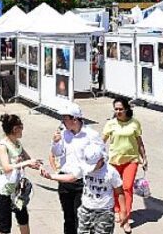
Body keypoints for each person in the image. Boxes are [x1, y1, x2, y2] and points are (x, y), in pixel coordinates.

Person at [41, 141, 128, 234]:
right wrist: (51, 176)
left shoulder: (111, 172)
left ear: (101, 160)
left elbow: (119, 192)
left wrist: (123, 211)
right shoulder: (84, 167)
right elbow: (71, 177)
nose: (91, 169)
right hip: (86, 209)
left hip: (104, 211)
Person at [50, 103, 101, 234]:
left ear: (75, 119)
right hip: (65, 179)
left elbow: (102, 157)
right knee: (68, 217)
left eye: (65, 118)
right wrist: (55, 142)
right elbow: (56, 153)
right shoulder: (63, 134)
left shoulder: (91, 135)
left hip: (82, 182)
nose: (62, 122)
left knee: (81, 217)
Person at [102, 98, 146, 232]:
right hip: (114, 160)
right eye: (116, 109)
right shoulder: (110, 124)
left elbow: (139, 142)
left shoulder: (135, 123)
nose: (118, 112)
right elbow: (101, 142)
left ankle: (125, 218)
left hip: (131, 160)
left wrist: (144, 158)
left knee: (127, 187)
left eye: (121, 109)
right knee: (116, 187)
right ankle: (117, 209)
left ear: (127, 109)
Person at [0, 114, 41, 234]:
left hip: (18, 190)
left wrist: (35, 165)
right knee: (5, 225)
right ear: (15, 129)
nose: (23, 130)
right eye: (21, 127)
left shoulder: (17, 143)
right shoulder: (3, 146)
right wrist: (25, 163)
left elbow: (27, 159)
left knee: (23, 218)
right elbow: (6, 167)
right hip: (4, 191)